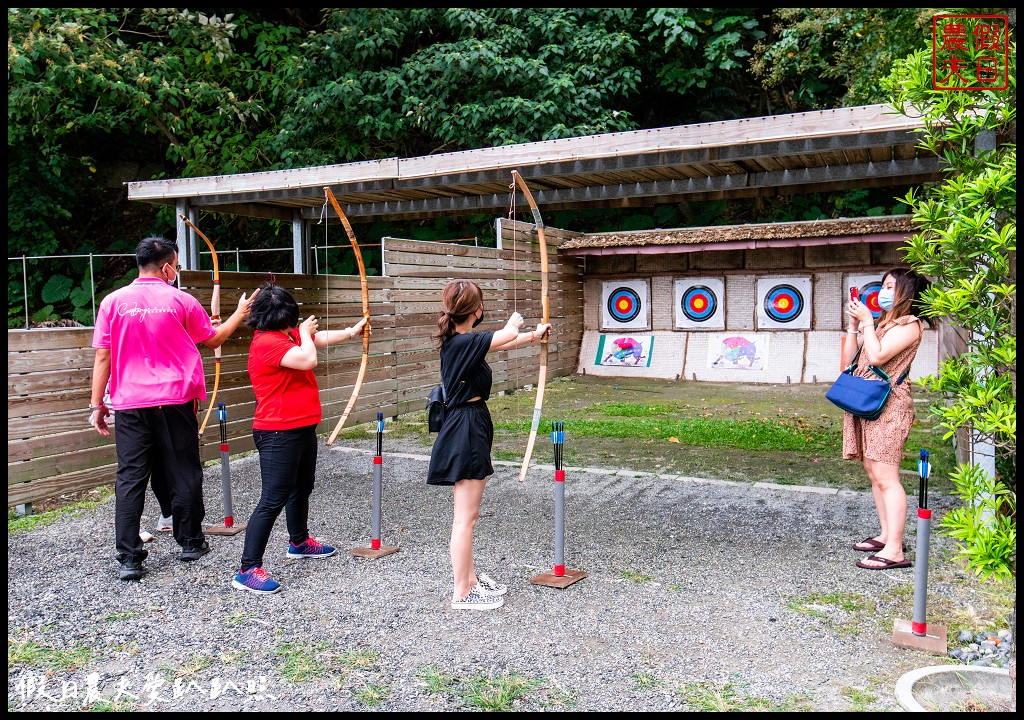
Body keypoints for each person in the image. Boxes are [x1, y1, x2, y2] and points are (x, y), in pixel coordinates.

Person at [89, 236, 258, 581]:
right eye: (177, 267)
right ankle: (191, 542)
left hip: (130, 403)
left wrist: (96, 405)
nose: (176, 272)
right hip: (175, 399)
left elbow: (103, 355)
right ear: (166, 267)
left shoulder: (112, 302)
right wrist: (240, 313)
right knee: (183, 469)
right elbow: (213, 339)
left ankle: (129, 558)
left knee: (131, 478)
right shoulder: (181, 300)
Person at [232, 283, 369, 594]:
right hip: (277, 430)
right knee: (272, 499)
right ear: (272, 319)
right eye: (287, 320)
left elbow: (317, 339)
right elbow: (308, 358)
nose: (291, 325)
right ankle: (247, 568)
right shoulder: (267, 342)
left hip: (301, 427)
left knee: (302, 486)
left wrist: (351, 331)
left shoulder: (283, 335)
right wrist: (304, 334)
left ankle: (299, 541)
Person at [426, 281, 552, 610]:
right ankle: (462, 592)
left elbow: (503, 344)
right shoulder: (461, 342)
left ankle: (470, 580)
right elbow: (506, 334)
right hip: (464, 429)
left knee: (469, 515)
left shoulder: (465, 342)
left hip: (470, 424)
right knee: (464, 519)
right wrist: (518, 319)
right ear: (475, 310)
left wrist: (534, 337)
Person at [841, 267, 935, 570]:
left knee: (887, 477)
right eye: (882, 285)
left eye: (890, 285)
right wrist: (855, 326)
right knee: (873, 472)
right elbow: (848, 363)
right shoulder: (883, 324)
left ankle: (894, 550)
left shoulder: (910, 325)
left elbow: (879, 357)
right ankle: (886, 535)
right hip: (867, 401)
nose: (883, 290)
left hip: (890, 406)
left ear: (906, 291)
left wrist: (869, 322)